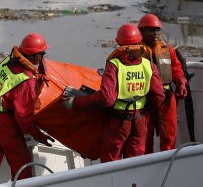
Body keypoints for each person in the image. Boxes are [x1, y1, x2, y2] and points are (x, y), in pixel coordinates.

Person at [63, 23, 164, 162]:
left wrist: (75, 102)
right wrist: (144, 111)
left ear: (118, 42)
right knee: (136, 163)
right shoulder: (148, 65)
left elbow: (106, 98)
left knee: (111, 162)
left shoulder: (115, 65)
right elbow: (159, 95)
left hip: (118, 122)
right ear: (139, 41)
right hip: (139, 120)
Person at [0, 32, 55, 187]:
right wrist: (38, 136)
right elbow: (24, 121)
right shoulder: (25, 82)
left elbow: (10, 84)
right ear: (34, 56)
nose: (43, 56)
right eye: (42, 53)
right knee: (22, 166)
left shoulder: (8, 61)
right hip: (3, 124)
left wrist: (37, 80)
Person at [138, 13, 188, 153]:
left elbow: (176, 69)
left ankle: (167, 164)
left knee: (169, 136)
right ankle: (146, 164)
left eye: (157, 30)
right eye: (150, 30)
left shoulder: (167, 49)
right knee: (145, 137)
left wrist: (181, 82)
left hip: (166, 98)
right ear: (141, 31)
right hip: (144, 99)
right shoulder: (134, 50)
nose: (155, 33)